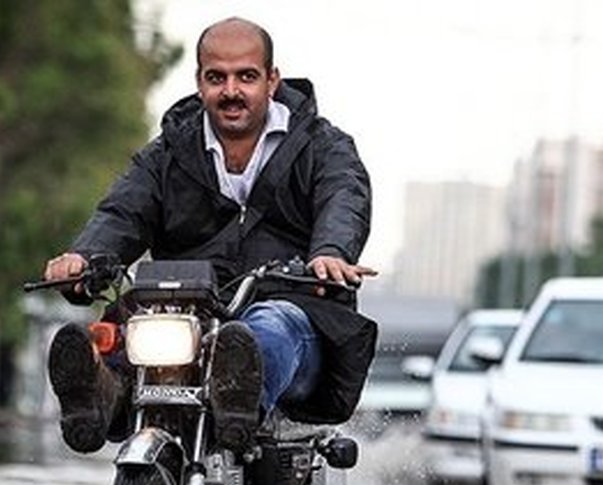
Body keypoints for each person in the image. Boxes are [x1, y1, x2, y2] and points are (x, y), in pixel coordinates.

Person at [44, 17, 377, 454]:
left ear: (272, 80)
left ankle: (239, 402)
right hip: (181, 309)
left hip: (292, 304)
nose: (231, 90)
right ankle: (101, 393)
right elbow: (122, 211)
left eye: (246, 77)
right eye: (217, 77)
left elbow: (344, 195)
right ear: (199, 82)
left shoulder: (324, 146)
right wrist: (85, 257)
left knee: (266, 330)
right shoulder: (165, 154)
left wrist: (331, 251)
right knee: (130, 332)